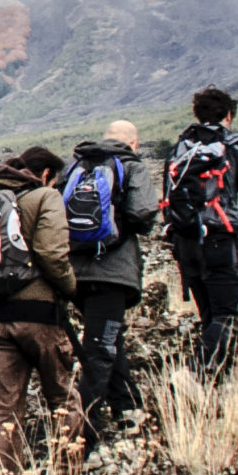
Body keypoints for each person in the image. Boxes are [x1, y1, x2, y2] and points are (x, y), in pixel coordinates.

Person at [0, 147, 81, 475]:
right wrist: (71, 289)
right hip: (41, 315)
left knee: (4, 408)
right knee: (62, 399)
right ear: (45, 175)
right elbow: (52, 254)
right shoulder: (45, 198)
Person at [161, 87, 238, 375]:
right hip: (220, 238)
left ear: (196, 115)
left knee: (208, 314)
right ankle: (195, 374)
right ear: (228, 115)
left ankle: (213, 386)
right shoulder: (237, 145)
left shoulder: (179, 148)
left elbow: (166, 200)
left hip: (186, 242)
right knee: (226, 314)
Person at [63, 120, 162, 442]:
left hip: (78, 273)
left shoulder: (77, 165)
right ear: (134, 143)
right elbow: (143, 213)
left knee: (108, 339)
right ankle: (82, 431)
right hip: (113, 275)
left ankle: (128, 409)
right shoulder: (132, 166)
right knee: (100, 350)